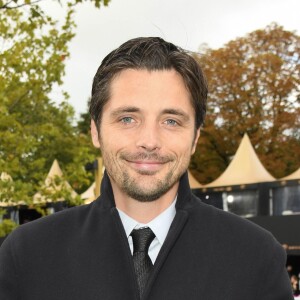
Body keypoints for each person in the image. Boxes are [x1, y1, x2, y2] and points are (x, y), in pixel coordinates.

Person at [0, 37, 293, 300]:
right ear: (95, 131)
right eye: (128, 118)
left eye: (171, 121)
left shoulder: (255, 257)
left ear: (195, 138)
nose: (149, 141)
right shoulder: (28, 255)